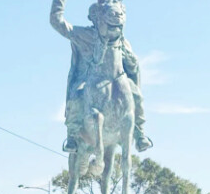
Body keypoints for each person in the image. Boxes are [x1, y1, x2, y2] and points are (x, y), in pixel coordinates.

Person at [50, 0, 153, 153]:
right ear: (97, 17)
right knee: (75, 96)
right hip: (87, 78)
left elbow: (133, 66)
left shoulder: (121, 40)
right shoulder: (84, 35)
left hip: (117, 80)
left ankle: (139, 131)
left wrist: (131, 59)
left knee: (136, 94)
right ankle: (72, 134)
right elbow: (57, 22)